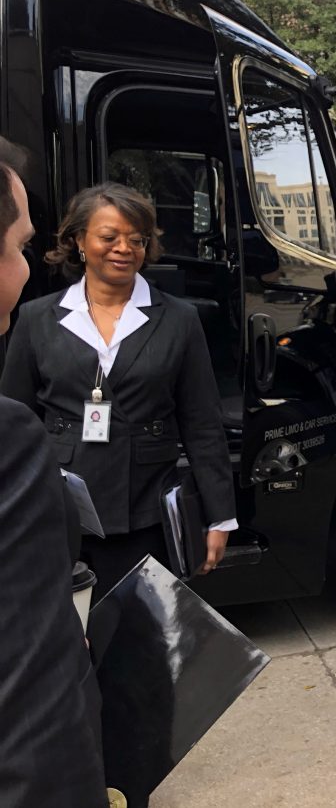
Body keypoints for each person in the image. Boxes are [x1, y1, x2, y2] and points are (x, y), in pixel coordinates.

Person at [0, 182, 236, 598]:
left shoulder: (179, 319)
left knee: (142, 639)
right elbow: (13, 420)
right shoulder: (37, 317)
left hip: (147, 509)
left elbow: (202, 423)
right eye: (109, 237)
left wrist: (219, 517)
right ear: (79, 240)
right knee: (70, 636)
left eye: (136, 239)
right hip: (61, 508)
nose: (124, 248)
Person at [0, 140, 107, 807]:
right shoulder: (39, 321)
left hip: (134, 503)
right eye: (16, 245)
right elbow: (31, 718)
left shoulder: (176, 319)